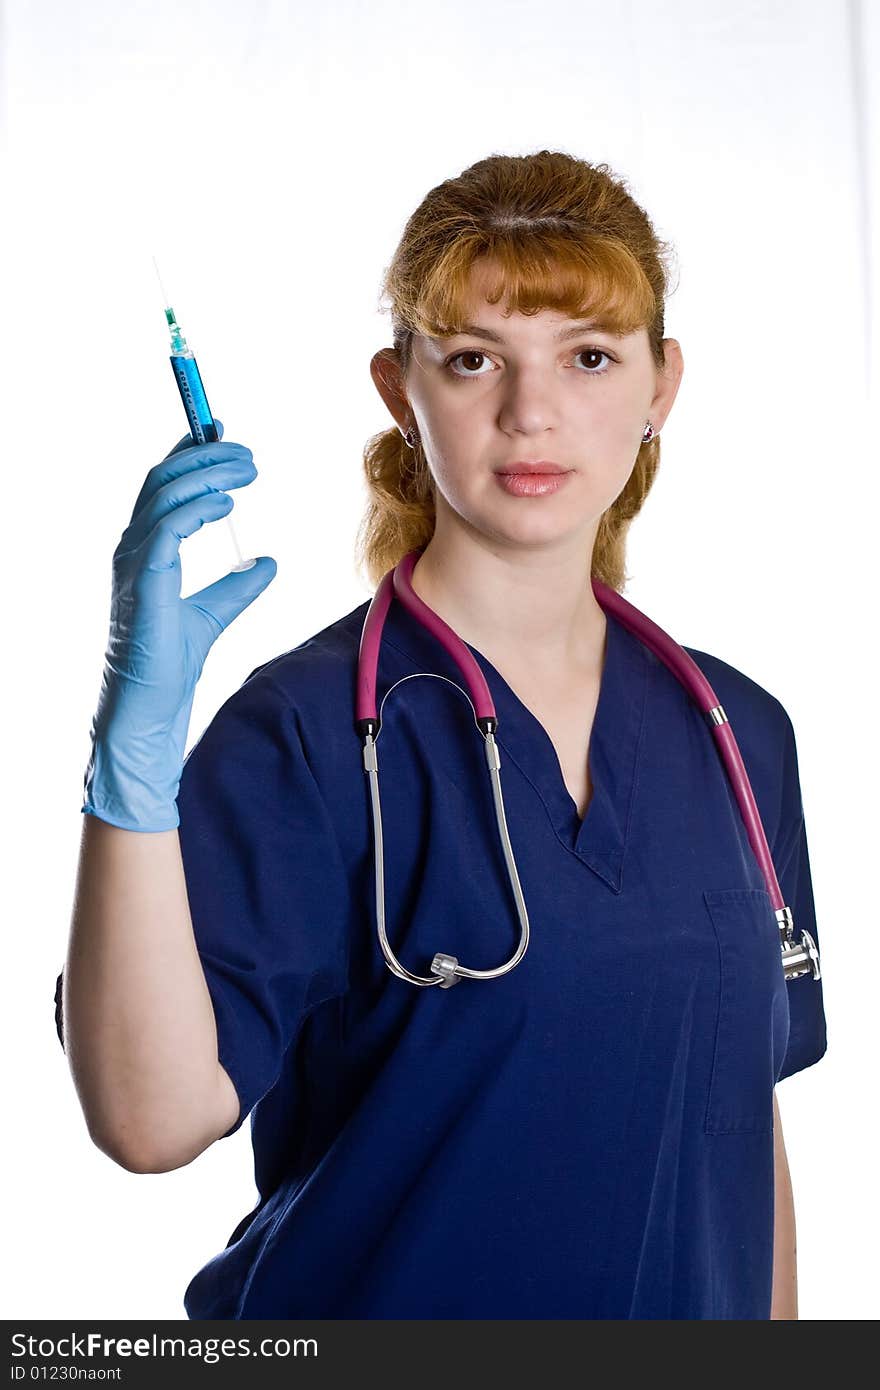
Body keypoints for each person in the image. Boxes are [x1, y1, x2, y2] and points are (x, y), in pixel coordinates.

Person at [54, 150, 827, 1320]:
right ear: (397, 386)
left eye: (588, 357)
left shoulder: (734, 731)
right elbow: (151, 1120)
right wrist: (129, 770)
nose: (531, 412)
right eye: (473, 360)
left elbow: (736, 1109)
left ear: (660, 386)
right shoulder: (308, 732)